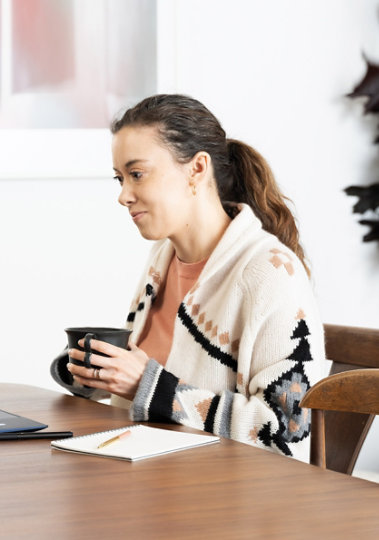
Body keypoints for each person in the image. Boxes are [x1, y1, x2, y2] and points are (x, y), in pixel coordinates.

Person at [50, 94, 325, 461]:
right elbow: (145, 390)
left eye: (136, 174)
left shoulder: (270, 272)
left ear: (197, 169)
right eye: (119, 178)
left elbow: (286, 432)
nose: (123, 195)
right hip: (151, 476)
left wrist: (147, 385)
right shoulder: (162, 259)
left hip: (221, 499)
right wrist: (96, 375)